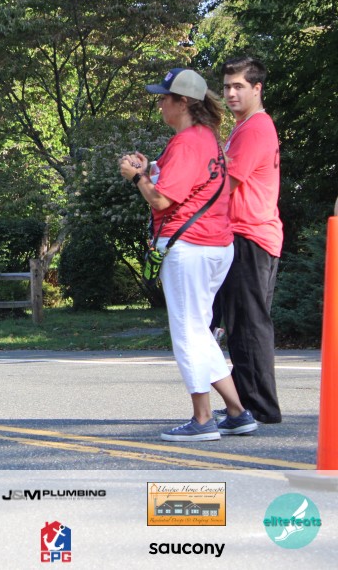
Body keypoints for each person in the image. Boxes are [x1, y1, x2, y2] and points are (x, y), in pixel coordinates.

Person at [119, 68, 257, 441]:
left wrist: (136, 177)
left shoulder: (186, 143)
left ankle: (202, 419)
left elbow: (162, 199)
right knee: (198, 330)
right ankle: (237, 412)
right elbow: (186, 183)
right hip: (215, 245)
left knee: (187, 333)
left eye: (164, 97)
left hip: (190, 247)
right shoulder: (206, 138)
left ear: (183, 102)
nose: (160, 104)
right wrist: (150, 168)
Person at [216, 57, 284, 424]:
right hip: (251, 235)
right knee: (243, 324)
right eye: (227, 86)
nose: (231, 93)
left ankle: (259, 408)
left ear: (257, 89)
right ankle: (246, 403)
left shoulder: (255, 128)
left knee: (248, 325)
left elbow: (224, 184)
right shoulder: (245, 127)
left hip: (249, 235)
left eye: (239, 86)